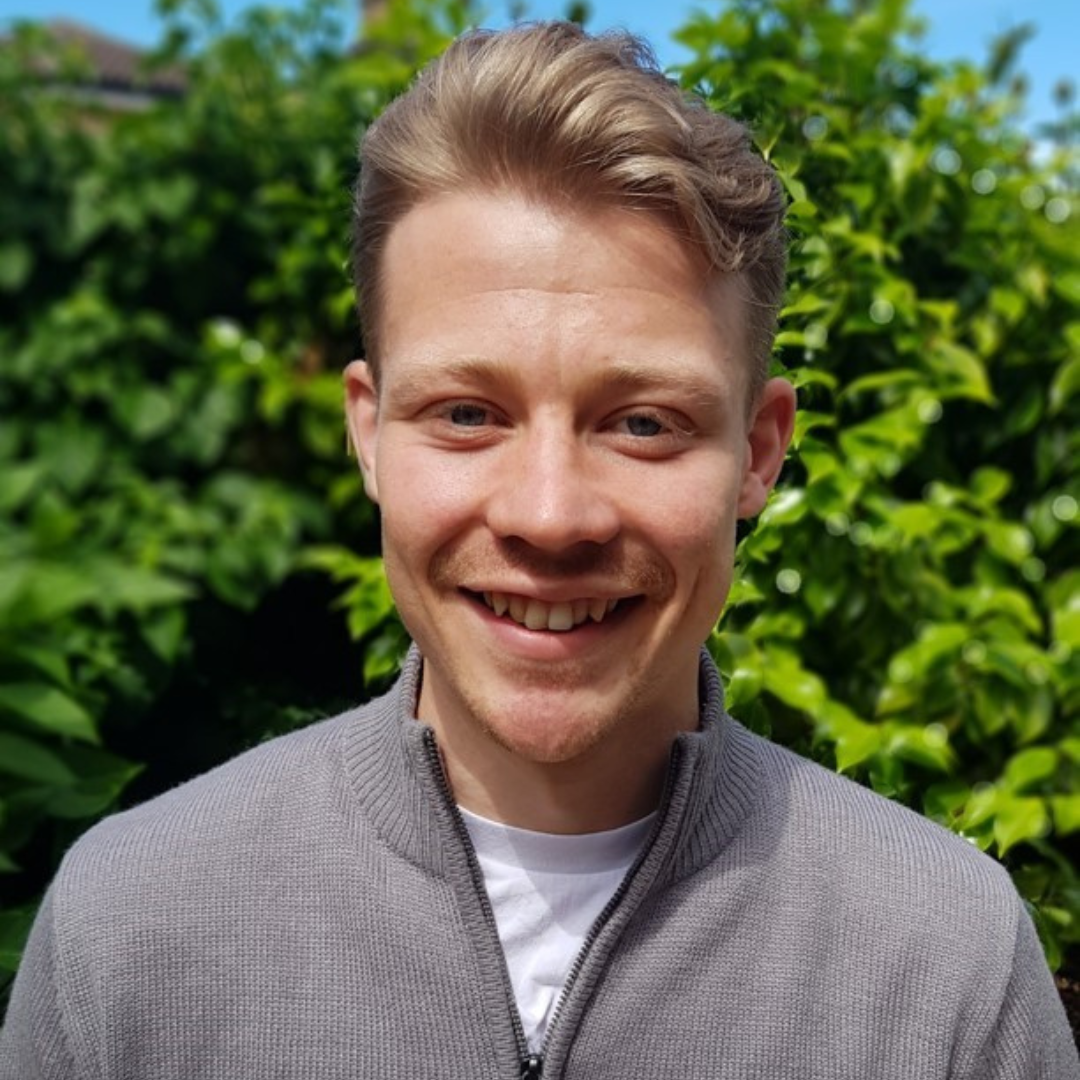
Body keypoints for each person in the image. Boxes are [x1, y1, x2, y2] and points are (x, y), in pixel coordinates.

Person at [2, 20, 1076, 1080]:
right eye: (468, 415)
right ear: (369, 433)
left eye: (643, 422)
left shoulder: (947, 967)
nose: (551, 516)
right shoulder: (130, 935)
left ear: (758, 454)